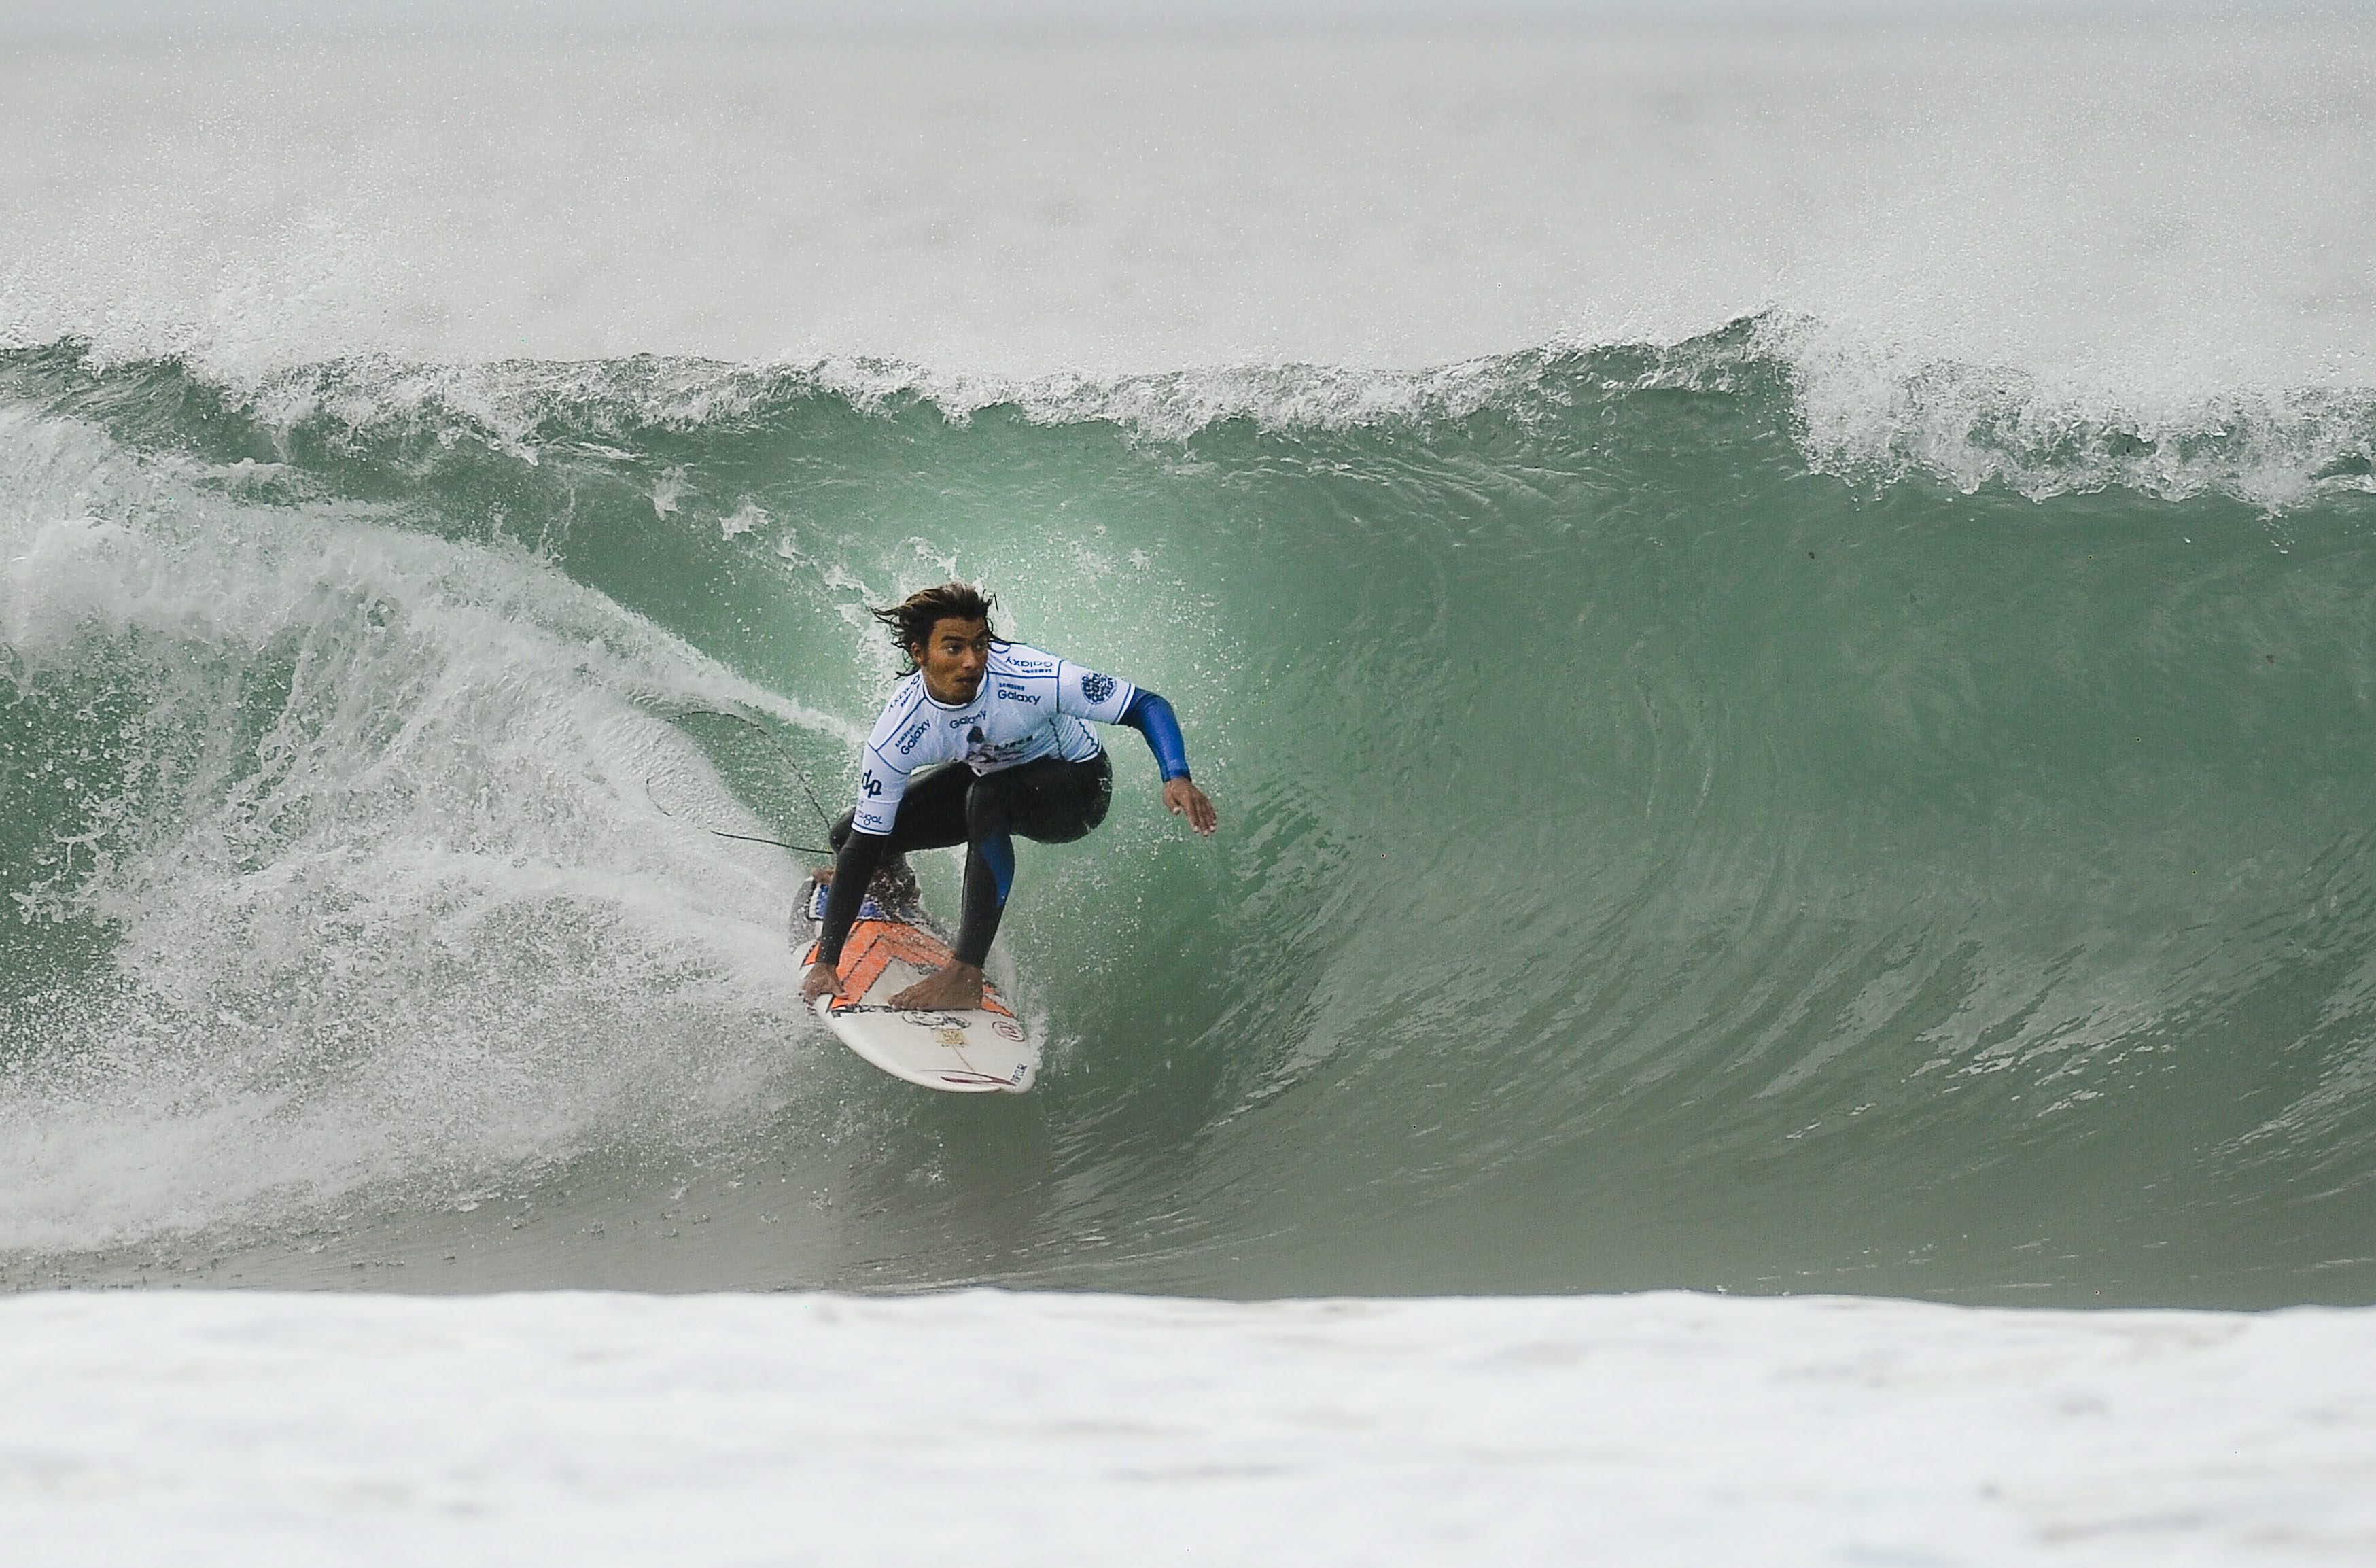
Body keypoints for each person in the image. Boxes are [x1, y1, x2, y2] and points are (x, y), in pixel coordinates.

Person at [801, 582, 1218, 1011]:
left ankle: (965, 974)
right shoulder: (901, 728)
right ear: (918, 653)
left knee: (988, 797)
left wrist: (1176, 776)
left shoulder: (1031, 677)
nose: (972, 661)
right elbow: (865, 843)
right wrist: (828, 962)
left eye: (980, 645)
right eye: (954, 648)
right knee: (851, 836)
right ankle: (895, 887)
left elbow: (1146, 705)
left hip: (1077, 788)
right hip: (993, 776)